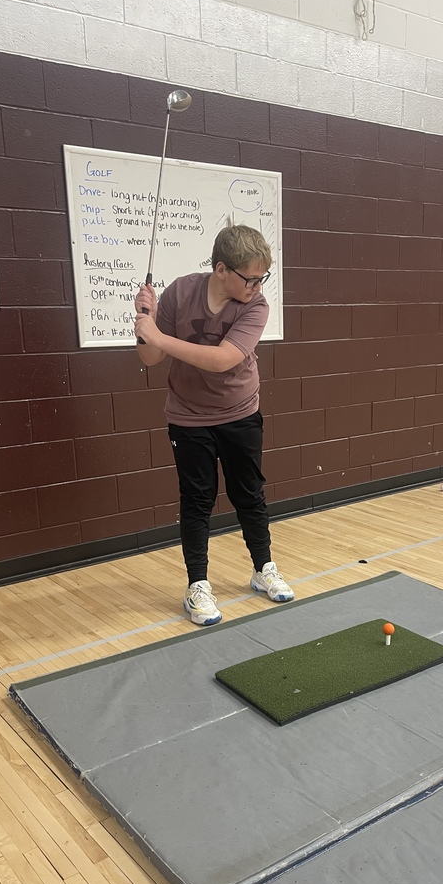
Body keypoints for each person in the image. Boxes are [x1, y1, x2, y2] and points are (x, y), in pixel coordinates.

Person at [134, 224, 294, 626]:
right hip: (188, 417)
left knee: (248, 494)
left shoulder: (255, 306)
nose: (257, 286)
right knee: (197, 500)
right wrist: (147, 323)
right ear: (221, 269)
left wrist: (159, 337)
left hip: (240, 412)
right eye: (250, 278)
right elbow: (150, 359)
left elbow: (222, 360)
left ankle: (263, 569)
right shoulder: (180, 293)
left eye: (262, 278)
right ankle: (197, 586)